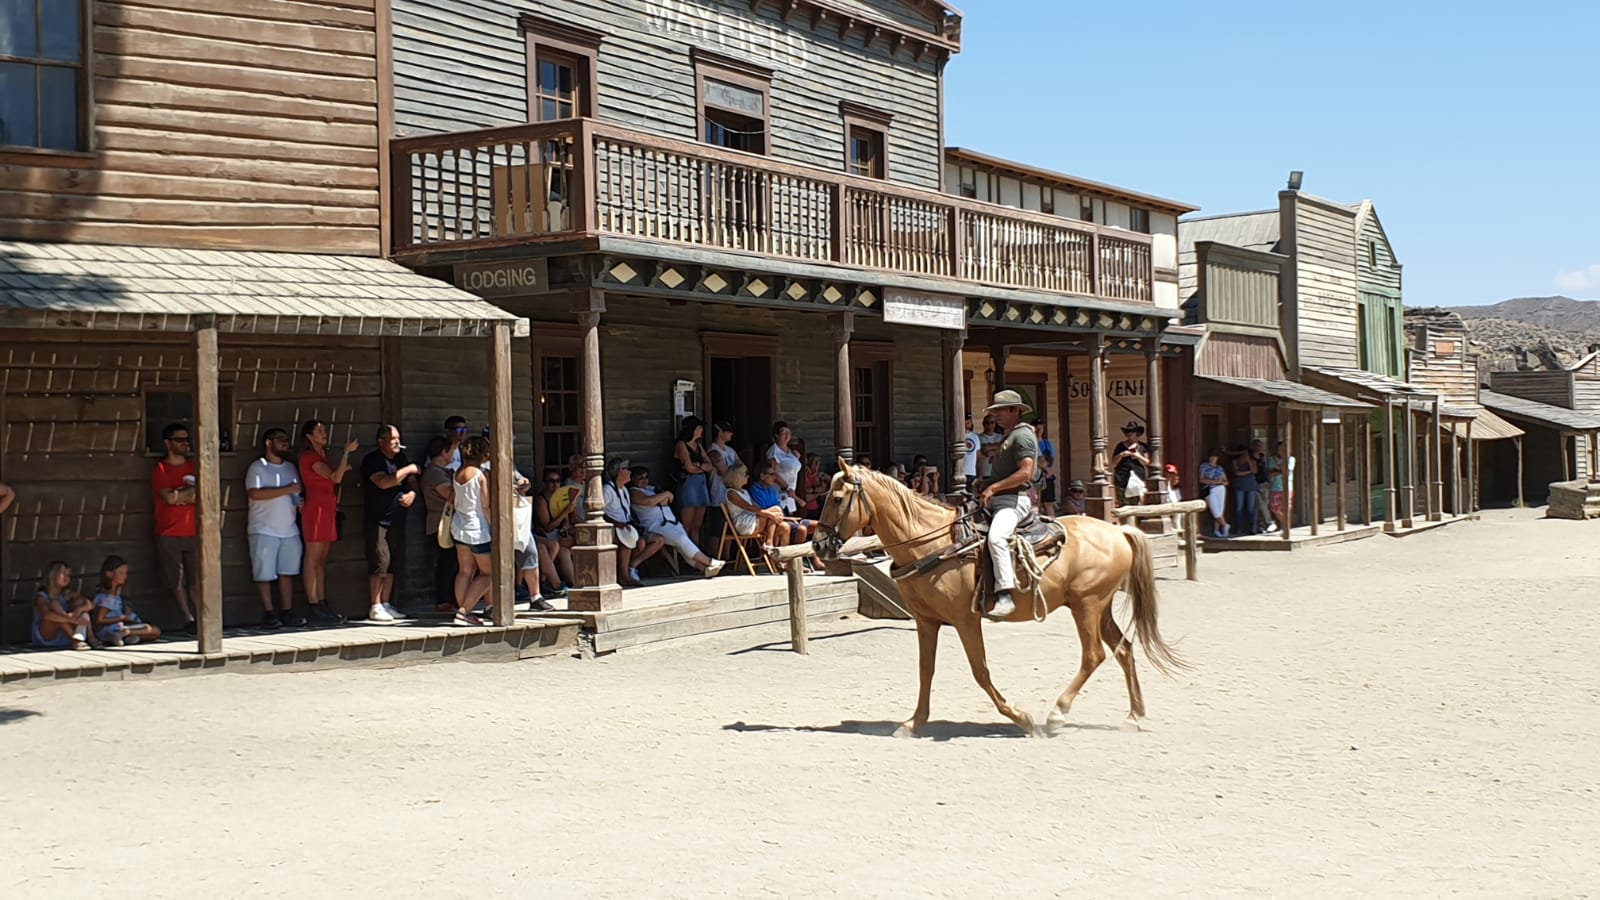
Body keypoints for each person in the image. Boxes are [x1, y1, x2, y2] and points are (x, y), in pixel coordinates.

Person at [978, 390, 1038, 619]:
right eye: (994, 411)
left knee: (996, 538)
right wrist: (985, 483)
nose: (996, 415)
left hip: (1013, 500)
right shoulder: (1010, 435)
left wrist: (993, 488)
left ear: (1015, 410)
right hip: (1000, 498)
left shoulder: (1022, 436)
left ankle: (1005, 593)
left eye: (1001, 410)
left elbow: (1026, 473)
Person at [298, 419, 358, 625]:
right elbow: (335, 477)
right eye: (319, 431)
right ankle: (313, 604)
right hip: (316, 509)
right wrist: (346, 453)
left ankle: (322, 602)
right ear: (309, 436)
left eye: (324, 430)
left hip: (327, 508)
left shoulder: (322, 454)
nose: (324, 433)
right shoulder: (309, 456)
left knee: (321, 559)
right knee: (312, 557)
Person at [246, 428, 306, 629]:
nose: (285, 442)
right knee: (264, 573)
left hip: (289, 528)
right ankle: (269, 613)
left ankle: (287, 611)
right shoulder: (258, 467)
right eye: (280, 439)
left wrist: (299, 502)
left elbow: (296, 493)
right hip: (264, 528)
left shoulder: (290, 467)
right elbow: (255, 494)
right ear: (268, 443)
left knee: (287, 572)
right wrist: (286, 490)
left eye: (286, 439)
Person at [361, 425, 418, 622]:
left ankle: (386, 603)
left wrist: (412, 493)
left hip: (397, 520)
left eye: (398, 438)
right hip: (378, 520)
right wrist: (409, 469)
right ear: (381, 441)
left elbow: (412, 481)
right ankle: (375, 605)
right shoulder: (373, 460)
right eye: (393, 438)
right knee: (380, 562)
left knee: (393, 562)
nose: (397, 442)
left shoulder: (401, 458)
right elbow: (383, 482)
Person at [631, 466, 725, 578]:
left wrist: (662, 497)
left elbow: (667, 500)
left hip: (670, 522)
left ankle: (704, 569)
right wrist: (665, 494)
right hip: (655, 525)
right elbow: (649, 501)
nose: (644, 480)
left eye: (646, 477)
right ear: (633, 479)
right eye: (640, 478)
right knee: (681, 539)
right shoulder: (634, 491)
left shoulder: (652, 489)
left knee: (683, 544)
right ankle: (709, 562)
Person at [151, 422, 199, 636]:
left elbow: (201, 494)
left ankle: (202, 618)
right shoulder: (161, 469)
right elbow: (168, 498)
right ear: (168, 443)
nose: (185, 444)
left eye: (187, 440)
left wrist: (180, 495)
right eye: (180, 440)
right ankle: (189, 619)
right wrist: (187, 495)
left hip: (194, 531)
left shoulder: (194, 467)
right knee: (177, 580)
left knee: (196, 580)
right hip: (169, 532)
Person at [449, 436, 494, 627]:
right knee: (489, 574)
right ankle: (464, 612)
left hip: (459, 525)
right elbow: (485, 505)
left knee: (464, 571)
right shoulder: (480, 475)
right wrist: (494, 527)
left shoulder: (457, 473)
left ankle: (464, 611)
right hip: (478, 529)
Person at [602, 458, 665, 586]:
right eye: (627, 469)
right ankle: (624, 575)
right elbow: (600, 512)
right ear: (620, 472)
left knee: (646, 541)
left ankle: (627, 569)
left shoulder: (624, 490)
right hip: (614, 528)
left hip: (627, 527)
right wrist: (616, 523)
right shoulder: (607, 489)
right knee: (630, 541)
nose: (630, 472)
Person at [420, 436, 460, 612]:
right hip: (440, 522)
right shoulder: (434, 472)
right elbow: (449, 494)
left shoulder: (442, 471)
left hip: (446, 522)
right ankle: (443, 599)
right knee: (446, 561)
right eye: (451, 451)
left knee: (452, 561)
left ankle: (451, 597)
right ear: (444, 452)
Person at [91, 556, 161, 647]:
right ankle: (125, 633)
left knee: (152, 635)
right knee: (154, 630)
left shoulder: (116, 595)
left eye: (125, 573)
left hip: (116, 628)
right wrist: (122, 618)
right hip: (110, 630)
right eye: (121, 573)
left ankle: (127, 637)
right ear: (109, 574)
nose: (125, 576)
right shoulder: (107, 597)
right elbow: (99, 620)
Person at [32, 561, 99, 650]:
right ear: (53, 575)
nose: (66, 578)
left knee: (81, 606)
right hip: (47, 636)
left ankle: (90, 637)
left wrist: (79, 609)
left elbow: (91, 605)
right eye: (63, 574)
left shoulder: (68, 594)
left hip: (65, 636)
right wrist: (69, 619)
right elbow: (47, 615)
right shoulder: (42, 596)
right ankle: (77, 641)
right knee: (55, 610)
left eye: (68, 575)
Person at [724, 464, 789, 547]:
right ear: (737, 477)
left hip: (754, 518)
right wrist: (770, 514)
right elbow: (749, 507)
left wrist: (771, 514)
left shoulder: (745, 492)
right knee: (775, 511)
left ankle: (773, 547)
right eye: (745, 475)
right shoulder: (731, 493)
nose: (748, 477)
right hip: (744, 523)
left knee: (784, 526)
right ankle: (769, 543)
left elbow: (757, 507)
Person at [672, 416, 713, 546]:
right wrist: (701, 467)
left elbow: (710, 465)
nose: (701, 430)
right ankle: (685, 551)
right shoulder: (681, 445)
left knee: (697, 525)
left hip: (701, 484)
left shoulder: (698, 445)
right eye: (699, 428)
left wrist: (699, 466)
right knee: (687, 525)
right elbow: (689, 468)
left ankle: (696, 550)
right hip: (688, 485)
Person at [767, 421, 803, 514]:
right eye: (784, 433)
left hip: (791, 493)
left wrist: (797, 458)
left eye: (789, 433)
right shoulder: (774, 451)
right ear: (776, 435)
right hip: (780, 492)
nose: (787, 435)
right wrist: (786, 487)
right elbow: (773, 473)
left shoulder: (791, 451)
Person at [1112, 420, 1151, 504]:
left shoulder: (1143, 446)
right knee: (1123, 503)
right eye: (1128, 432)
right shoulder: (1120, 446)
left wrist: (1138, 456)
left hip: (1138, 477)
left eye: (1132, 431)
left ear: (1137, 433)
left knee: (1137, 502)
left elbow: (1147, 462)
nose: (1129, 434)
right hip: (1122, 478)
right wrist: (1122, 454)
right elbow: (1114, 462)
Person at [1229, 445, 1260, 536]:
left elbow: (1254, 471)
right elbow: (1237, 473)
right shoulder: (1235, 461)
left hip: (1251, 486)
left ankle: (1252, 528)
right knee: (1239, 508)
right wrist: (1249, 472)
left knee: (1251, 508)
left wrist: (1249, 461)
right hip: (1239, 486)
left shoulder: (1252, 461)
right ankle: (1239, 527)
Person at [1266, 440, 1295, 534]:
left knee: (1287, 507)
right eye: (1279, 449)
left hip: (1287, 487)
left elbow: (1287, 472)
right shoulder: (1272, 459)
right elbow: (1271, 473)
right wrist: (1281, 470)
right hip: (1275, 487)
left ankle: (1285, 527)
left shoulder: (1291, 459)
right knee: (1274, 508)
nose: (1281, 451)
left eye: (1283, 449)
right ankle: (1285, 524)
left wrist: (1279, 469)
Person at [1199, 449, 1230, 538]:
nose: (1212, 458)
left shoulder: (1220, 468)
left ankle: (1217, 530)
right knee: (1215, 510)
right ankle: (1225, 525)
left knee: (1220, 510)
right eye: (1211, 457)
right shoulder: (1204, 466)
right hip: (1210, 489)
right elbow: (1201, 479)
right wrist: (1215, 481)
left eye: (1214, 457)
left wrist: (1218, 482)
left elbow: (1226, 482)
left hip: (1221, 489)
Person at [1033, 420, 1057, 516]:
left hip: (1048, 476)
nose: (1039, 430)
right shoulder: (1031, 442)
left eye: (1041, 428)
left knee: (1048, 503)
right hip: (1036, 476)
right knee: (1036, 503)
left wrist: (1050, 471)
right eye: (1037, 428)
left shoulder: (1047, 443)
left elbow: (1052, 458)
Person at [962, 412, 981, 485]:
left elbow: (978, 456)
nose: (967, 423)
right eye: (966, 421)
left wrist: (979, 474)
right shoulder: (957, 435)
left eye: (969, 421)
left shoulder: (975, 436)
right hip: (960, 472)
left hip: (972, 472)